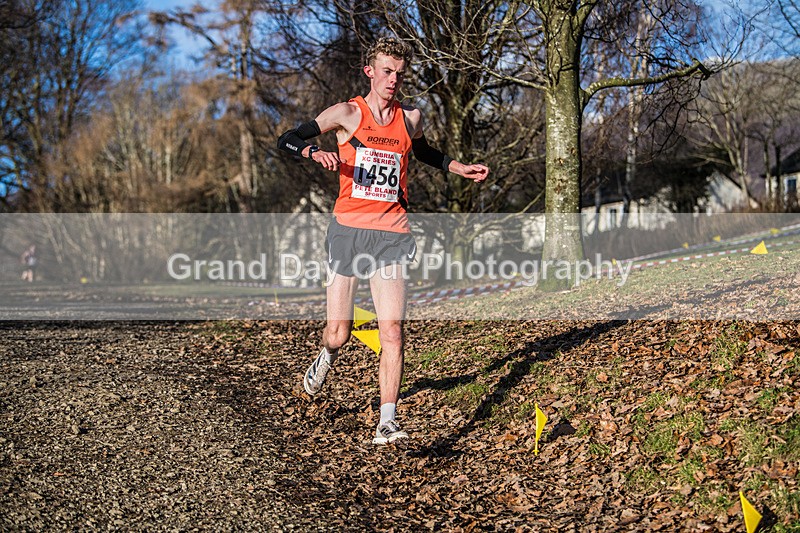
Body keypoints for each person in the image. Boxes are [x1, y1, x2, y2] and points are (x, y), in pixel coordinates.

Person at [277, 37, 489, 445]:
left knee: (392, 331)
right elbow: (286, 137)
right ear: (369, 71)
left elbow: (423, 151)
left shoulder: (411, 117)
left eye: (399, 73)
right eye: (386, 71)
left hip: (392, 233)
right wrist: (311, 152)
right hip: (348, 232)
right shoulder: (346, 113)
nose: (393, 80)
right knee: (339, 332)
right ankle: (325, 357)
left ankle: (386, 421)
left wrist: (456, 166)